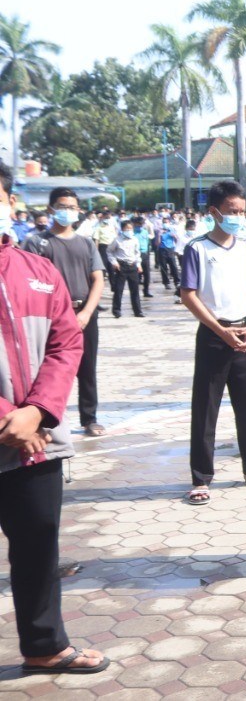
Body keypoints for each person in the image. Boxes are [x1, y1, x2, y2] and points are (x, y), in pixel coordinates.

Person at [0, 163, 111, 677]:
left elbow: (67, 341)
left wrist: (39, 410)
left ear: (11, 203)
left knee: (38, 539)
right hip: (13, 429)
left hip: (35, 438)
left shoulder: (35, 270)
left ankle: (44, 644)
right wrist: (8, 417)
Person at [179, 180, 246, 507]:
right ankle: (201, 477)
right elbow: (189, 295)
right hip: (214, 335)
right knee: (206, 407)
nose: (239, 217)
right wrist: (219, 330)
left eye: (243, 211)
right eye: (232, 212)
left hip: (245, 334)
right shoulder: (197, 249)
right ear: (214, 212)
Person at [22, 188, 106, 436]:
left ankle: (89, 418)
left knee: (87, 369)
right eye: (62, 206)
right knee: (46, 369)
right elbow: (28, 282)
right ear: (50, 209)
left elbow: (98, 279)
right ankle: (44, 417)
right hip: (50, 318)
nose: (67, 211)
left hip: (84, 315)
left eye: (72, 207)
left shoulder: (86, 243)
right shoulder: (36, 243)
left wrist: (87, 312)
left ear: (78, 210)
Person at [106, 218, 144, 318]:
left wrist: (138, 264)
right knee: (119, 290)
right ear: (122, 229)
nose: (129, 231)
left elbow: (137, 253)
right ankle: (116, 311)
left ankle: (138, 311)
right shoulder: (117, 240)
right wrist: (114, 262)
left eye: (131, 228)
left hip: (132, 266)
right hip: (121, 266)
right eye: (127, 229)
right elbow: (109, 251)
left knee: (135, 290)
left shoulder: (135, 240)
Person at [155, 217, 180, 293]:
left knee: (174, 266)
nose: (165, 224)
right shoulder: (160, 231)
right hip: (162, 249)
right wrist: (159, 235)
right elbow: (157, 243)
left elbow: (177, 240)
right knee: (164, 267)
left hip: (171, 249)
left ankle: (177, 282)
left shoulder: (172, 230)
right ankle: (166, 282)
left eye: (167, 222)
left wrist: (174, 236)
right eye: (164, 222)